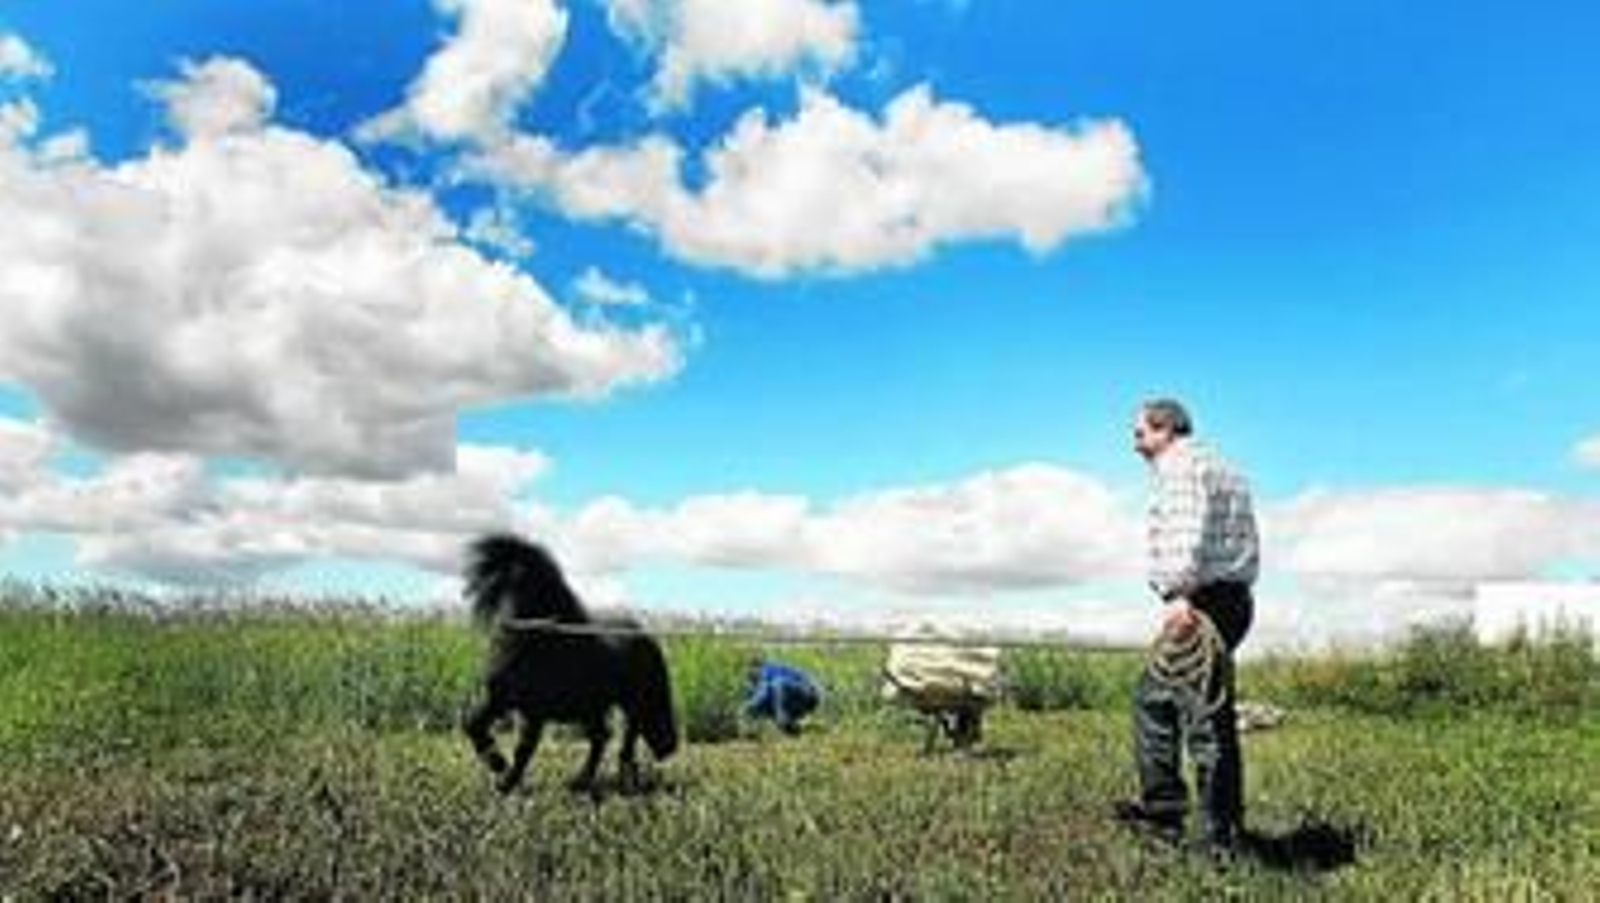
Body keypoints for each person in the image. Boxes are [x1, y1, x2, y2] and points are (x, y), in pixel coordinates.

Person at [1115, 398, 1259, 857]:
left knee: (1189, 715)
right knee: (1171, 704)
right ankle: (1207, 825)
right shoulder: (1224, 467)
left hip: (1201, 603)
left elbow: (1185, 530)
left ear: (1165, 429)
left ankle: (1196, 831)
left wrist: (1178, 594)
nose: (1134, 443)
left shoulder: (1180, 468)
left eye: (1139, 433)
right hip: (1230, 599)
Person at [743, 658, 821, 735]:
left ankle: (783, 719)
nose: (750, 676)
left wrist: (746, 708)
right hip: (797, 698)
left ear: (757, 667)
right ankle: (792, 728)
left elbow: (762, 694)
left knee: (777, 685)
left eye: (751, 672)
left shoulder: (768, 670)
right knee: (767, 702)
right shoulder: (759, 683)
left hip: (809, 693)